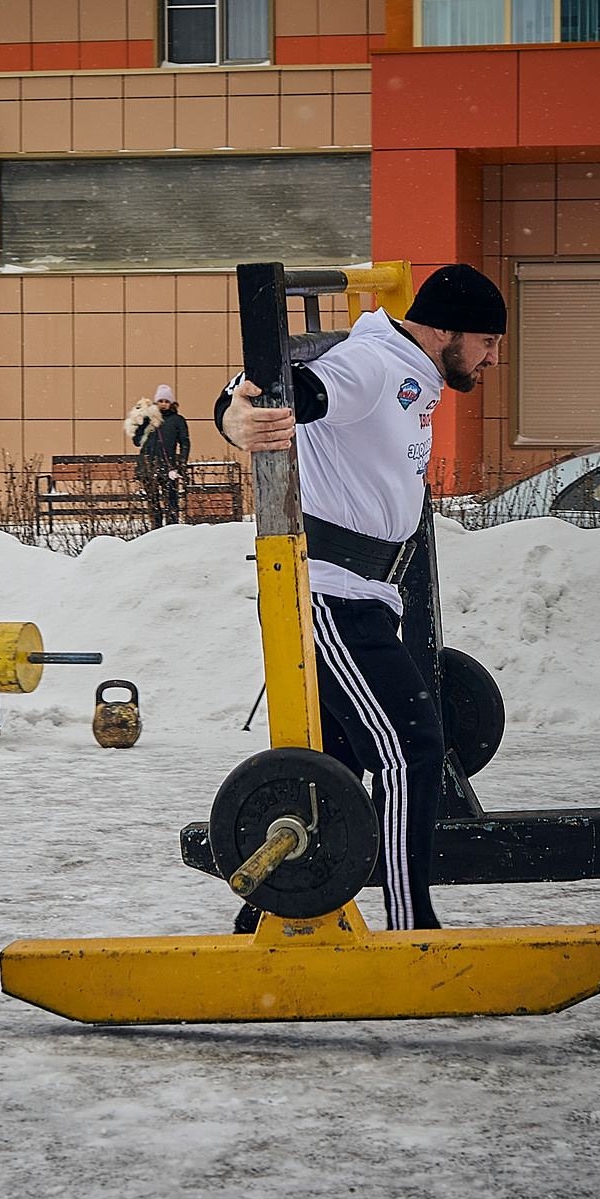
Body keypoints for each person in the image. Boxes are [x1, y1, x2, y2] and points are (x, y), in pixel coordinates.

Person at [216, 263, 506, 935]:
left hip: (363, 595)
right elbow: (295, 391)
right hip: (330, 595)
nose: (492, 357)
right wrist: (236, 413)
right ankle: (412, 927)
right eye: (486, 341)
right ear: (441, 329)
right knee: (412, 745)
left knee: (337, 767)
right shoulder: (375, 364)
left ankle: (261, 913)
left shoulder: (412, 372)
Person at [123, 383, 191, 528]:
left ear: (171, 403)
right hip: (148, 467)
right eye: (161, 401)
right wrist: (141, 424)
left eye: (166, 401)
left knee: (171, 502)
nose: (163, 404)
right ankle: (156, 531)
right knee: (153, 503)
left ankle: (172, 530)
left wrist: (181, 463)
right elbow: (137, 441)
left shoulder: (177, 420)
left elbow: (185, 442)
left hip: (169, 467)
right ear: (156, 402)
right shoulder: (148, 419)